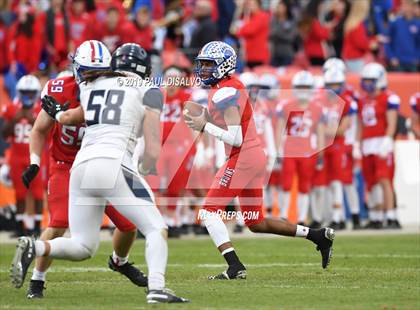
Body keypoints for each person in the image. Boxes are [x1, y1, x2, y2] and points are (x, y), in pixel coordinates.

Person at [10, 43, 189, 304]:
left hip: (81, 169)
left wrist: (57, 114)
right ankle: (157, 288)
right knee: (156, 228)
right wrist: (147, 165)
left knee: (83, 245)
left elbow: (70, 116)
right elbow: (152, 147)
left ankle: (34, 246)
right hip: (115, 164)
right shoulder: (148, 90)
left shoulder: (92, 86)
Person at [185, 41, 334, 280]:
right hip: (251, 155)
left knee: (209, 211)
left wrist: (205, 125)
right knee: (255, 221)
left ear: (224, 66)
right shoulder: (226, 87)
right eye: (201, 64)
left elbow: (235, 137)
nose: (203, 69)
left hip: (242, 155)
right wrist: (206, 120)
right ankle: (318, 235)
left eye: (208, 64)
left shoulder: (225, 91)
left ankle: (234, 265)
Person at [276, 71, 326, 226]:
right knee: (286, 184)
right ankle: (284, 215)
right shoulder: (286, 106)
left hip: (307, 152)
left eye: (306, 87)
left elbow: (320, 132)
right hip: (290, 151)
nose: (303, 90)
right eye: (300, 87)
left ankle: (302, 218)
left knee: (305, 186)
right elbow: (279, 129)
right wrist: (277, 150)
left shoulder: (317, 108)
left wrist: (320, 153)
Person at [1, 75, 44, 237]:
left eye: (30, 92)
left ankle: (37, 227)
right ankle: (20, 227)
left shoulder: (40, 109)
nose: (27, 96)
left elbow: (46, 132)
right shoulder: (12, 108)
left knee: (38, 192)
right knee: (19, 193)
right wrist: (15, 119)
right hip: (17, 155)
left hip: (36, 154)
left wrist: (32, 120)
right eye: (25, 92)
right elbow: (4, 133)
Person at [358, 63, 399, 229]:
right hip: (367, 143)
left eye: (371, 80)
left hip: (381, 141)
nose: (368, 83)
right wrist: (357, 143)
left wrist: (387, 140)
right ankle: (375, 217)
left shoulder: (388, 97)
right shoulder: (362, 100)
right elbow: (361, 124)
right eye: (365, 80)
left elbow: (392, 122)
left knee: (384, 180)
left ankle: (391, 216)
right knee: (371, 182)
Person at [322, 68, 357, 230]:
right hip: (324, 145)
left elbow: (342, 129)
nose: (333, 87)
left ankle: (337, 217)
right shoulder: (321, 101)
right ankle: (337, 215)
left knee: (337, 181)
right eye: (331, 84)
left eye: (336, 84)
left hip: (338, 145)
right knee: (327, 182)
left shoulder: (347, 102)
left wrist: (325, 130)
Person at [385, 0, 420, 72]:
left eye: (407, 6)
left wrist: (417, 57)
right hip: (398, 62)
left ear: (412, 8)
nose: (404, 8)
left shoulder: (418, 24)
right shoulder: (395, 23)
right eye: (403, 6)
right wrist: (392, 57)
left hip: (413, 62)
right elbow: (388, 42)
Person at [342, 0, 376, 72]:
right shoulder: (357, 24)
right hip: (355, 59)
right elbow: (361, 43)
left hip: (350, 57)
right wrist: (372, 44)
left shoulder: (352, 22)